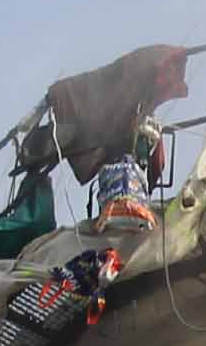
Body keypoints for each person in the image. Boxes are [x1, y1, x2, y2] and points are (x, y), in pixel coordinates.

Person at [12, 43, 188, 234]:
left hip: (126, 177)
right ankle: (121, 205)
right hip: (118, 174)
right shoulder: (120, 112)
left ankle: (124, 205)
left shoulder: (139, 119)